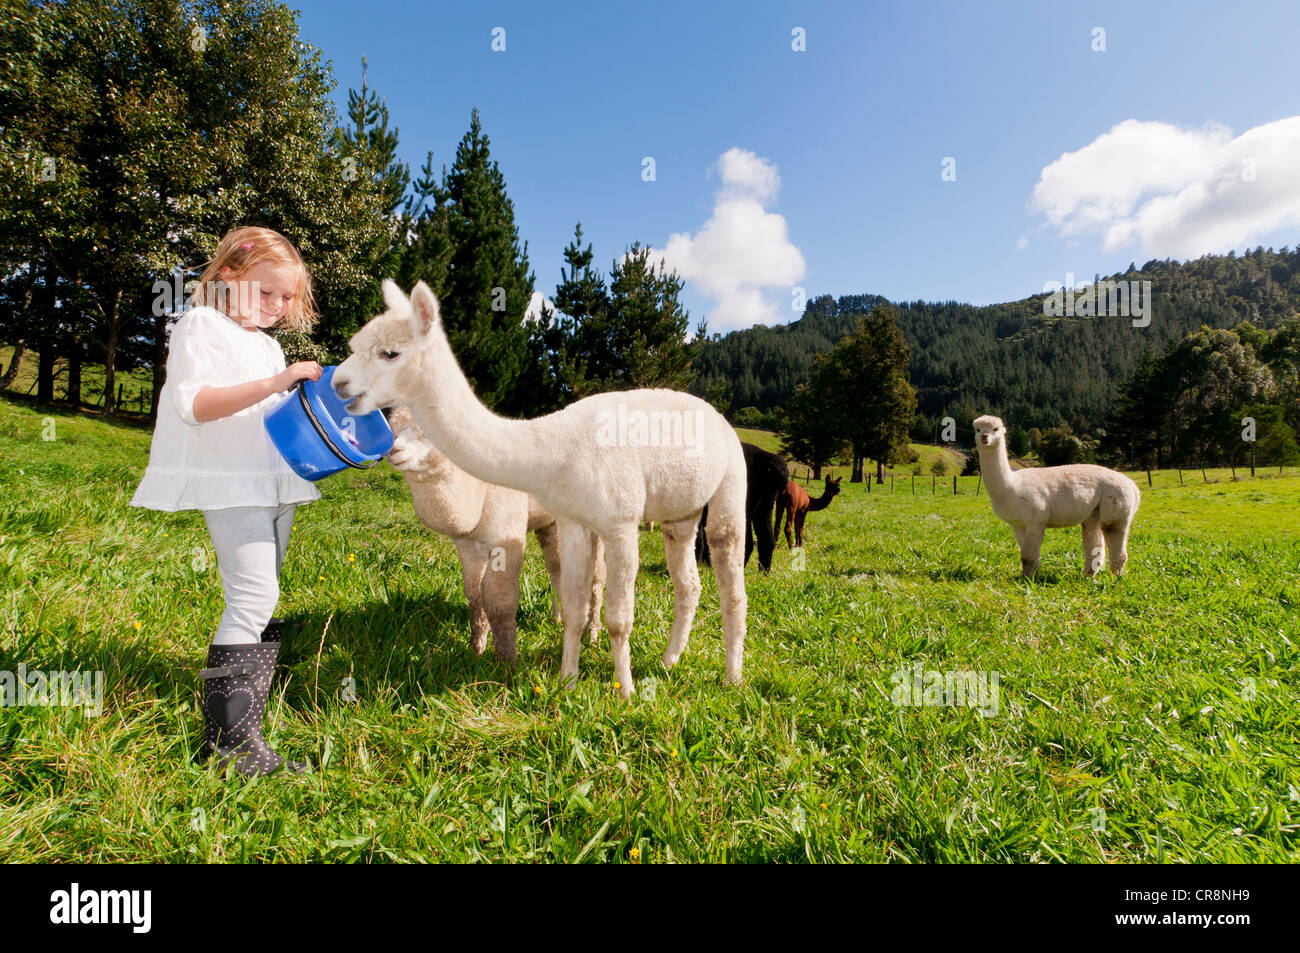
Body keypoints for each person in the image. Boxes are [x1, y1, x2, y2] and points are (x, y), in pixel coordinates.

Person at [130, 226, 324, 776]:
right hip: (233, 482)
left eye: (287, 298)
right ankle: (229, 747)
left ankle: (242, 723)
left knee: (263, 595)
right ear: (228, 277)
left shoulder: (266, 343)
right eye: (266, 292)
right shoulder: (201, 326)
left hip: (271, 480)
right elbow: (195, 404)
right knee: (253, 596)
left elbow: (278, 417)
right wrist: (276, 382)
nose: (278, 306)